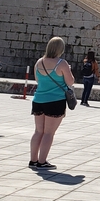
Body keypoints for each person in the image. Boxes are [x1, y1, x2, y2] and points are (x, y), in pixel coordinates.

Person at [30, 37, 75, 170]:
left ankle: (33, 160)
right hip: (55, 101)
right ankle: (42, 161)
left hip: (38, 99)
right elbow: (70, 82)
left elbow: (38, 80)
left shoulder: (39, 62)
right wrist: (69, 70)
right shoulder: (62, 63)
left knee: (38, 131)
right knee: (49, 133)